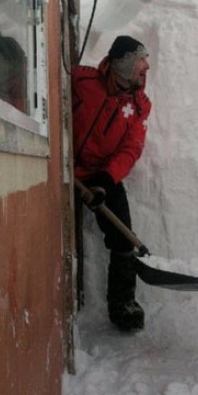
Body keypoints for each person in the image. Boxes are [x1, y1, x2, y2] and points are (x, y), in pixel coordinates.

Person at [72, 35, 151, 331]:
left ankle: (123, 303)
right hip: (63, 168)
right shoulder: (82, 81)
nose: (146, 68)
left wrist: (106, 181)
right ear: (123, 65)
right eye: (140, 62)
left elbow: (131, 148)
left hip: (102, 174)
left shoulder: (140, 107)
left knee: (123, 237)